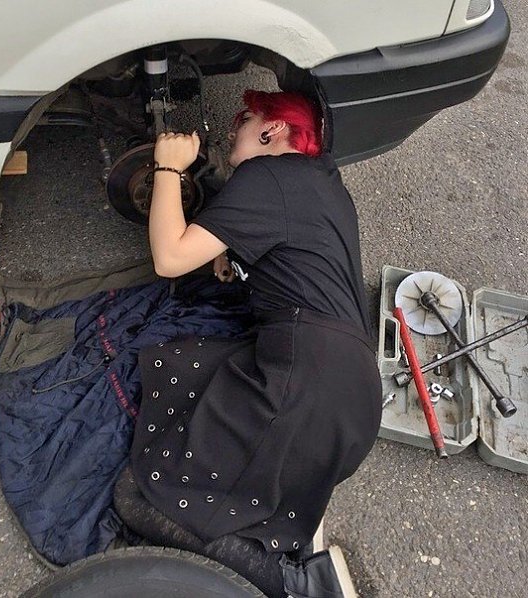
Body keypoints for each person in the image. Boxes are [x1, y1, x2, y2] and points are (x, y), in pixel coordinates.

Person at [114, 90, 382, 597]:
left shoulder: (265, 176)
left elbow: (169, 258)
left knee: (136, 497)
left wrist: (168, 167)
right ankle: (280, 516)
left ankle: (299, 582)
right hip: (349, 394)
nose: (232, 128)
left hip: (301, 390)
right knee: (187, 374)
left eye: (244, 118)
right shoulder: (320, 179)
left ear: (272, 131)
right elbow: (293, 246)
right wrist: (235, 252)